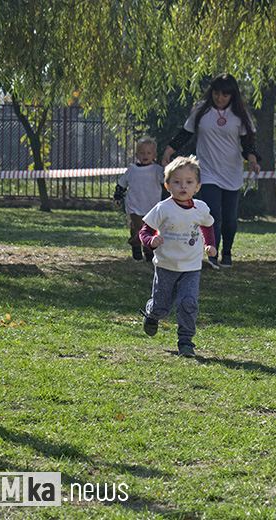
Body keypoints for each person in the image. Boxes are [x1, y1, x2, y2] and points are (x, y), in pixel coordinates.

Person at [161, 73, 261, 269]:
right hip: (207, 171)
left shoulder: (239, 115)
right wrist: (168, 152)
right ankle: (212, 255)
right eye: (216, 93)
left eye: (225, 95)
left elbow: (248, 143)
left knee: (229, 218)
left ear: (232, 95)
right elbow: (185, 134)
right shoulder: (201, 110)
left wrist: (253, 160)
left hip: (231, 172)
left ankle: (227, 253)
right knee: (212, 213)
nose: (219, 98)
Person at [138, 156, 216, 358]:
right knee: (161, 307)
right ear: (167, 186)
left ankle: (186, 342)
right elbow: (145, 231)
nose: (183, 186)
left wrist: (209, 244)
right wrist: (150, 241)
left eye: (189, 182)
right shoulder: (163, 208)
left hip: (191, 268)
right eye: (177, 182)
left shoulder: (201, 208)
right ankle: (152, 314)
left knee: (187, 303)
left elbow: (207, 225)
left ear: (197, 187)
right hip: (166, 266)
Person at [114, 136, 164, 262]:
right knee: (136, 229)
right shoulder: (132, 170)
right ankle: (136, 247)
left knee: (151, 231)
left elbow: (167, 182)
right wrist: (118, 196)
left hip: (152, 207)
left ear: (154, 154)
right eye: (142, 153)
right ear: (136, 155)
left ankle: (149, 253)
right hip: (135, 206)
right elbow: (122, 184)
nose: (145, 155)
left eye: (148, 153)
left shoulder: (157, 170)